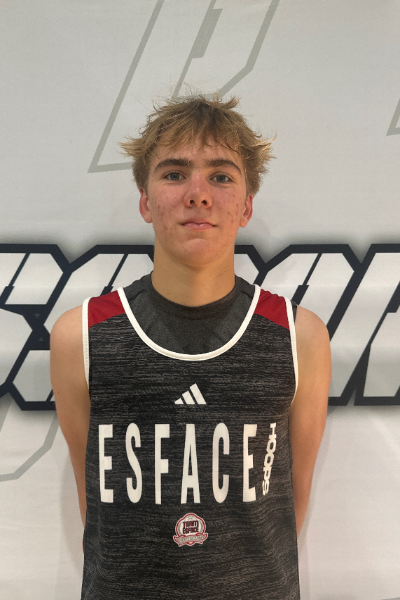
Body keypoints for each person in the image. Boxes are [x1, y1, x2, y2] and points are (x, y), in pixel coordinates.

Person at [50, 94, 331, 599]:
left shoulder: (300, 336)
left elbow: (289, 507)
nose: (198, 194)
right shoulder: (81, 336)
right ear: (145, 200)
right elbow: (97, 507)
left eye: (220, 176)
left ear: (246, 206)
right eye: (175, 174)